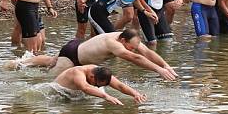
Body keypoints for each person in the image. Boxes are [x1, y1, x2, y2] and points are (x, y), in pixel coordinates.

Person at [16, 29, 177, 80]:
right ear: (122, 40)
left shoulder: (130, 38)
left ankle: (24, 62)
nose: (133, 49)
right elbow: (136, 58)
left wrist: (165, 65)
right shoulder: (114, 44)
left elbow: (147, 52)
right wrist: (159, 70)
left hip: (78, 47)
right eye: (131, 47)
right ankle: (20, 66)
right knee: (49, 80)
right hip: (73, 55)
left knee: (52, 61)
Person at [51, 65, 145, 105]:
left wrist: (135, 94)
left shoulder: (100, 72)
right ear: (92, 77)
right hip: (57, 95)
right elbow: (85, 88)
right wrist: (106, 96)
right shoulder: (77, 72)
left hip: (75, 95)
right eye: (97, 85)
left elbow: (120, 85)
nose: (98, 87)